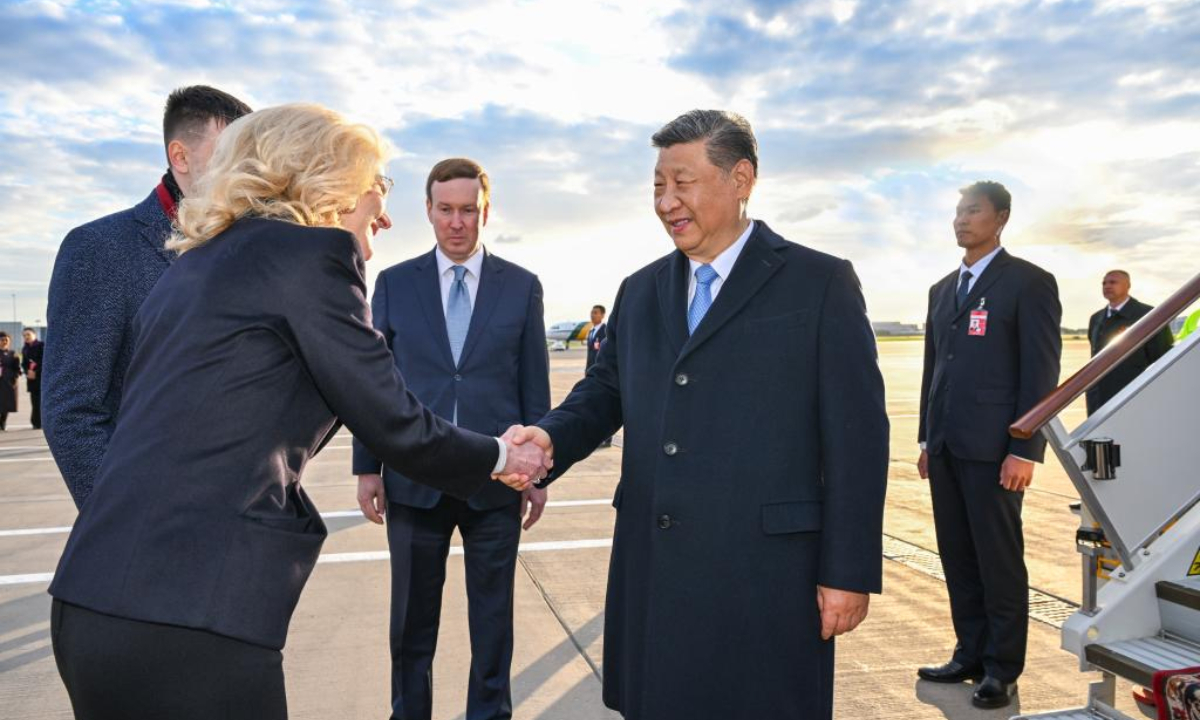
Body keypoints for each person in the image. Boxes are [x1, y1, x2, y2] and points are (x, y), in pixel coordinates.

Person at [47, 104, 548, 720]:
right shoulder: (310, 259)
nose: (385, 213)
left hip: (90, 604)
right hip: (194, 616)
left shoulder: (198, 260)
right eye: (378, 185)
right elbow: (395, 422)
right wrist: (503, 454)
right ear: (331, 183)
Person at [507, 110, 889, 720]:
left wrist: (848, 571)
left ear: (741, 179)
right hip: (655, 566)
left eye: (682, 183)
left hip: (765, 574)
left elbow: (858, 439)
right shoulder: (641, 289)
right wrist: (549, 439)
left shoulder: (818, 282)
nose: (666, 202)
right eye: (658, 185)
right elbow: (605, 391)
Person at [352, 157, 551, 720]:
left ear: (486, 211)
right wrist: (368, 466)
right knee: (411, 625)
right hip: (415, 478)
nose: (457, 222)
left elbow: (534, 386)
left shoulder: (522, 287)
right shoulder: (395, 283)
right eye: (446, 210)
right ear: (428, 210)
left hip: (498, 482)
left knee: (493, 624)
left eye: (468, 210)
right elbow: (373, 384)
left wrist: (541, 473)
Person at [44, 85, 252, 508]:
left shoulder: (251, 251)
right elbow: (73, 410)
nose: (246, 172)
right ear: (181, 157)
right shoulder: (101, 248)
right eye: (230, 154)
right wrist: (127, 522)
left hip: (245, 519)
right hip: (150, 522)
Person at [916, 181, 1062, 709]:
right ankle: (970, 653)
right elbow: (935, 368)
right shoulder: (942, 290)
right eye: (957, 211)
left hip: (996, 450)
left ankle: (1003, 667)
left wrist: (1024, 449)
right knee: (958, 556)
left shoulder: (1028, 282)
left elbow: (1040, 373)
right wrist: (927, 438)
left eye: (973, 210)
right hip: (947, 446)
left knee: (998, 560)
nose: (961, 219)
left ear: (1000, 219)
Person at [1085, 269, 1174, 414]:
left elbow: (1162, 355)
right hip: (1098, 396)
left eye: (1113, 282)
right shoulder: (1096, 318)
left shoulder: (1149, 315)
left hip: (1134, 394)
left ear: (1128, 285)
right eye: (1104, 283)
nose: (1107, 286)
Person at [585, 305, 612, 448]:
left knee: (604, 407)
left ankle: (607, 438)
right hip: (592, 373)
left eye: (596, 312)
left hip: (602, 374)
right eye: (592, 312)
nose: (592, 315)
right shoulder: (591, 331)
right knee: (594, 406)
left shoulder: (605, 331)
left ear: (602, 315)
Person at [21, 328, 44, 430]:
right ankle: (35, 422)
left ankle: (41, 422)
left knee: (41, 401)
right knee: (34, 402)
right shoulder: (25, 349)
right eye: (24, 335)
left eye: (28, 334)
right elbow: (24, 363)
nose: (26, 337)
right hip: (31, 379)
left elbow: (44, 361)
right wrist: (28, 372)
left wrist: (36, 371)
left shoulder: (41, 346)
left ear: (34, 334)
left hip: (41, 378)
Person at [0, 332, 19, 431]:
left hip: (8, 381)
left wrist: (15, 378)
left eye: (6, 340)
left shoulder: (13, 354)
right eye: (2, 340)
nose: (4, 342)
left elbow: (17, 368)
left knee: (6, 403)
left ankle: (3, 422)